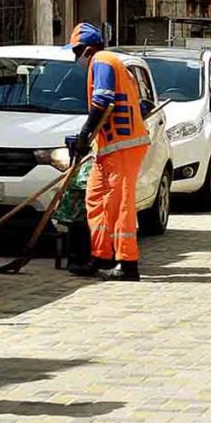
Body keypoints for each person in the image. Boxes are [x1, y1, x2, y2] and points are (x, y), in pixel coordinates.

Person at [66, 22, 151, 282]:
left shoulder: (102, 60)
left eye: (76, 51)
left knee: (121, 205)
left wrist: (84, 134)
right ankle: (101, 255)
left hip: (123, 147)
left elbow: (103, 100)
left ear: (87, 49)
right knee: (96, 200)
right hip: (108, 147)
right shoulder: (109, 62)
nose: (75, 57)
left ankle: (128, 263)